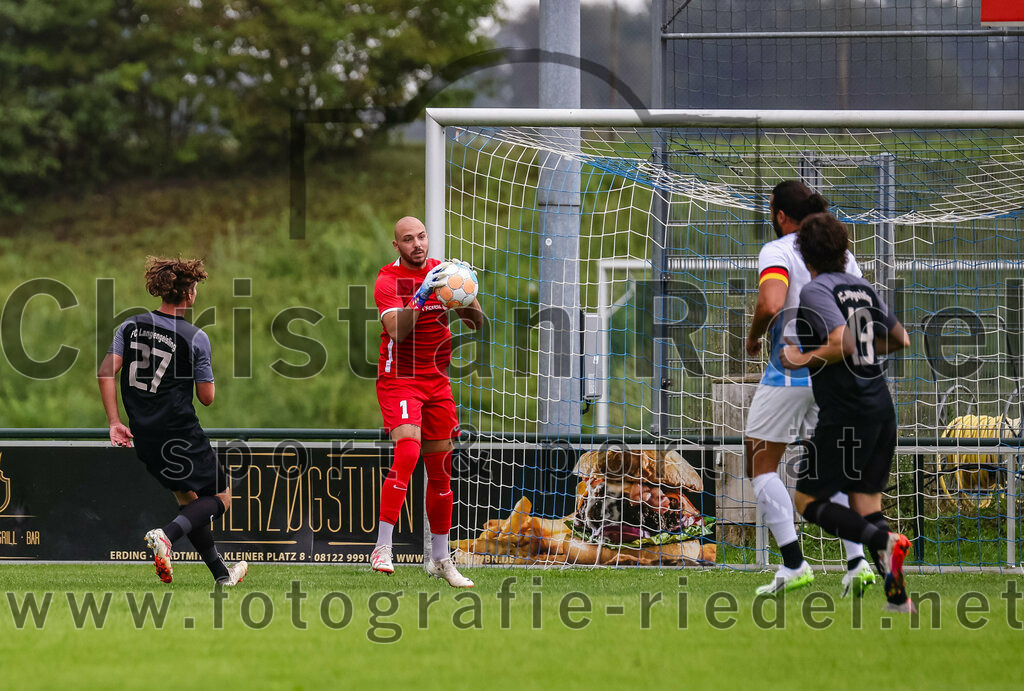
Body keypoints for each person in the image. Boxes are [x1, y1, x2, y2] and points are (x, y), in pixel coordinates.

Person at [745, 180, 875, 597]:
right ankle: (857, 563)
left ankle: (794, 563)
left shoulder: (780, 249)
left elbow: (770, 302)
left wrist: (753, 336)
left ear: (780, 215)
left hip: (793, 369)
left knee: (760, 459)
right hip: (839, 371)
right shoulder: (842, 253)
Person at [781, 212, 914, 613]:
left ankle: (882, 543)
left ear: (805, 253)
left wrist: (800, 358)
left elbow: (842, 342)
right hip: (879, 408)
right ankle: (899, 600)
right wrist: (866, 355)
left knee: (807, 500)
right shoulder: (861, 286)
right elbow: (901, 339)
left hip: (846, 414)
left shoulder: (816, 290)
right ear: (843, 249)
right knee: (866, 505)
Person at [97, 257, 246, 586]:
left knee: (188, 504)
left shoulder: (130, 326)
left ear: (161, 289)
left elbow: (106, 372)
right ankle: (164, 536)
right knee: (220, 499)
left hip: (145, 437)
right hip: (181, 434)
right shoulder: (195, 337)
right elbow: (207, 398)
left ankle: (222, 575)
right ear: (190, 293)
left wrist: (114, 421)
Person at [370, 216, 483, 587]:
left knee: (441, 470)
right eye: (408, 239)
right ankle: (383, 547)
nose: (417, 244)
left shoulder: (442, 272)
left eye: (421, 236)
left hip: (437, 381)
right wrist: (419, 298)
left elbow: (476, 323)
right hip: (400, 379)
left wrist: (463, 291)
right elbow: (397, 332)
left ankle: (440, 559)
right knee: (407, 451)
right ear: (396, 245)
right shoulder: (388, 281)